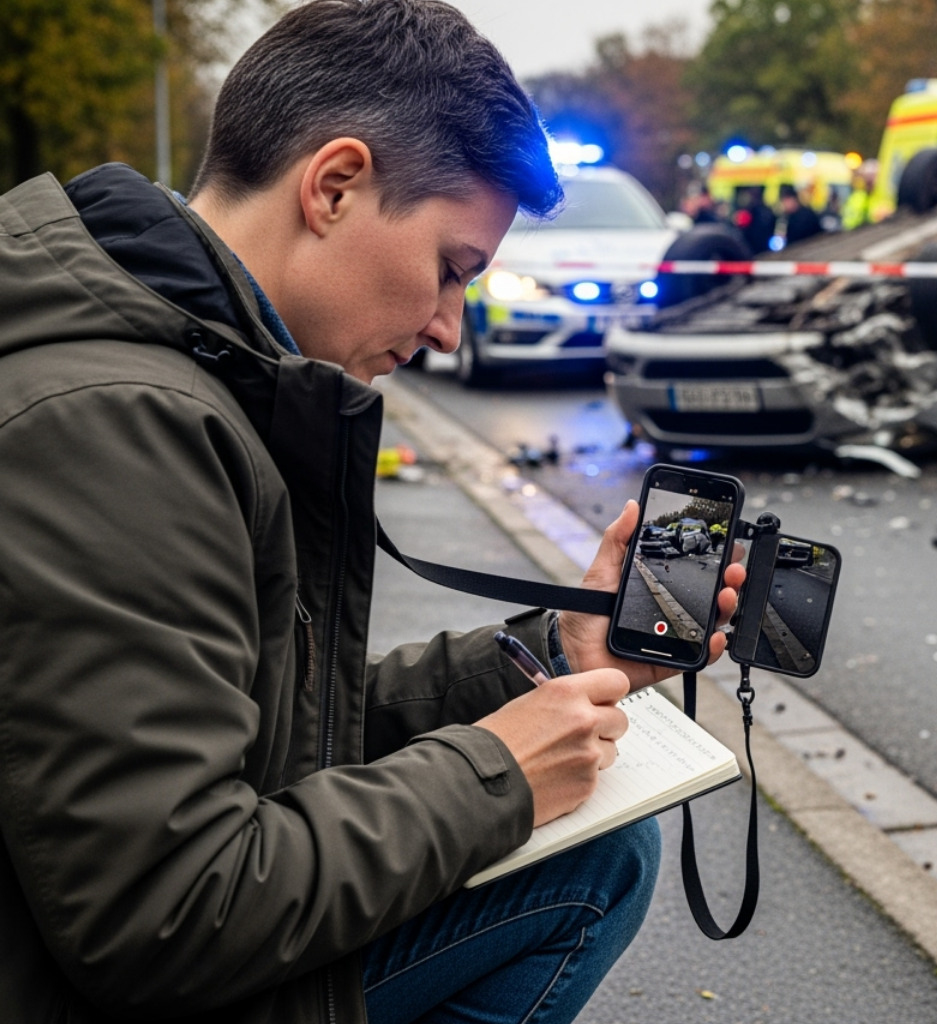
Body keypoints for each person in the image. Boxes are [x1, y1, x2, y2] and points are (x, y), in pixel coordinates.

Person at [0, 3, 745, 1024]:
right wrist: (497, 775)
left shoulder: (182, 367)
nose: (448, 328)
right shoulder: (121, 425)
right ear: (335, 186)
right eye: (450, 269)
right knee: (592, 868)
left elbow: (265, 732)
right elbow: (162, 912)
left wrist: (550, 655)